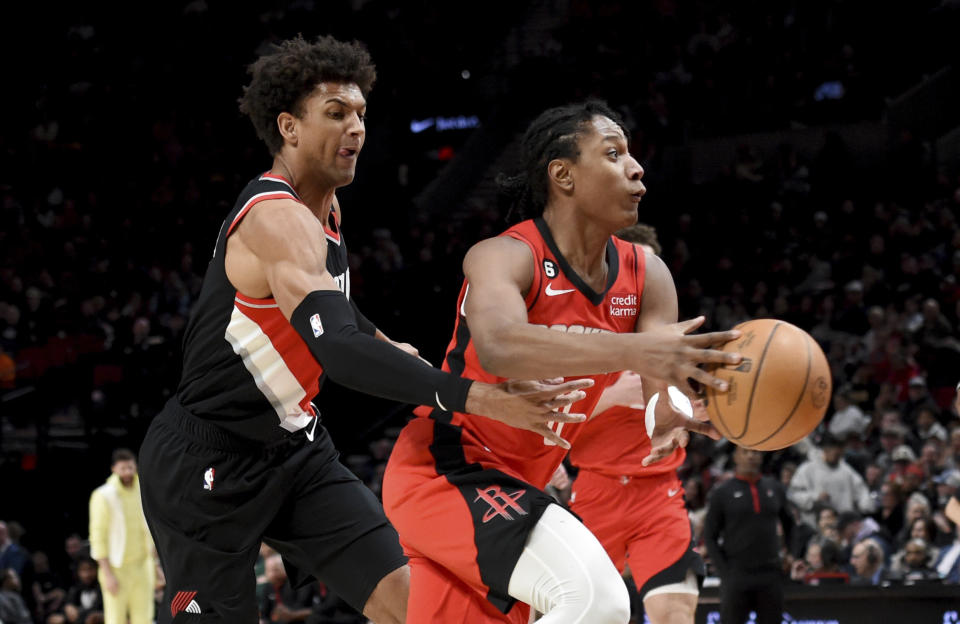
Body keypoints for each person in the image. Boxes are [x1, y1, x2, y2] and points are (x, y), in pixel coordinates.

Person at [138, 35, 592, 624]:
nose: (356, 128)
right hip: (207, 461)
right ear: (289, 127)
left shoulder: (325, 210)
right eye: (335, 114)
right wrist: (477, 398)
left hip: (295, 448)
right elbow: (338, 353)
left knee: (414, 605)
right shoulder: (277, 219)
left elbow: (338, 315)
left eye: (360, 114)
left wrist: (395, 350)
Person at [383, 100, 742, 623]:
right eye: (614, 154)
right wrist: (632, 351)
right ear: (563, 175)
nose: (636, 167)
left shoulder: (648, 275)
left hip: (521, 486)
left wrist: (684, 410)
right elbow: (502, 345)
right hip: (449, 469)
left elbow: (656, 386)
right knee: (596, 601)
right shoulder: (504, 255)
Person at [566, 223, 703, 624]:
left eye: (644, 268)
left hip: (657, 493)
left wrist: (684, 425)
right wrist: (612, 397)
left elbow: (685, 419)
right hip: (595, 491)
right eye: (627, 265)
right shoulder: (575, 334)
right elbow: (545, 414)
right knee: (580, 613)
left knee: (675, 615)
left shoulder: (671, 344)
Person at [703, 446, 793, 624]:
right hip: (736, 573)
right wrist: (724, 571)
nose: (751, 456)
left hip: (770, 573)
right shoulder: (722, 493)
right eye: (745, 452)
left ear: (761, 456)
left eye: (756, 452)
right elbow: (709, 535)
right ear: (736, 456)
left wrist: (791, 553)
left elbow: (790, 524)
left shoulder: (774, 488)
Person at [87, 448, 157, 624]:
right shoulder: (103, 495)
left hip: (142, 565)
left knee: (145, 618)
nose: (127, 472)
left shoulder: (144, 491)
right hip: (116, 567)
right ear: (114, 469)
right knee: (115, 619)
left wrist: (155, 563)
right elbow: (98, 536)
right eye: (123, 468)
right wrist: (107, 572)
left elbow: (151, 528)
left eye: (130, 468)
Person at [788, 432, 876, 526]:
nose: (837, 455)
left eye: (840, 452)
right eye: (834, 450)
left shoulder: (847, 471)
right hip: (814, 525)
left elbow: (862, 494)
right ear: (825, 450)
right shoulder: (807, 469)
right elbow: (793, 494)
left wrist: (867, 504)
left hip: (842, 525)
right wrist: (815, 497)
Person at [47, 558, 104, 624]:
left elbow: (97, 611)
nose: (87, 574)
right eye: (83, 570)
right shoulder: (76, 589)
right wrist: (67, 609)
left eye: (90, 569)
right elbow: (68, 605)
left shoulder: (102, 589)